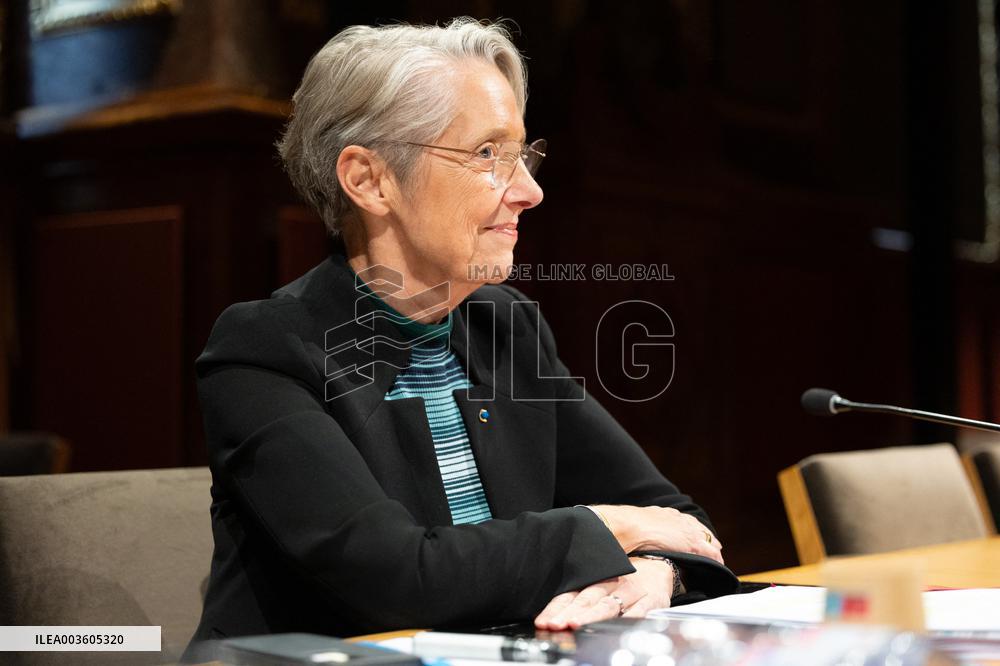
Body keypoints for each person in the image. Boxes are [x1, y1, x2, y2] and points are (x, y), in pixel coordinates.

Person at [185, 17, 735, 657]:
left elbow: (678, 520)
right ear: (368, 179)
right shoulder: (265, 351)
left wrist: (655, 571)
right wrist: (611, 527)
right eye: (486, 154)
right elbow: (394, 577)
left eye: (522, 154)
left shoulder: (506, 326)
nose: (529, 190)